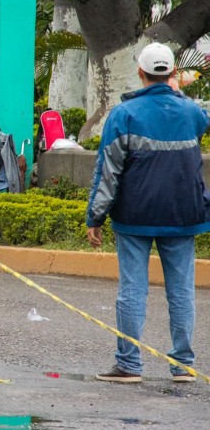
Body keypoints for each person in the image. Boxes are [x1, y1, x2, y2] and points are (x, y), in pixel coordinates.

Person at [87, 42, 210, 383]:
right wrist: (177, 95)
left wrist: (95, 217)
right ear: (172, 74)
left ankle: (128, 364)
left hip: (134, 216)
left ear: (140, 73)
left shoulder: (124, 115)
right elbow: (199, 124)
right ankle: (183, 364)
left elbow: (107, 173)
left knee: (132, 289)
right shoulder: (192, 112)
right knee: (182, 290)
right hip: (183, 215)